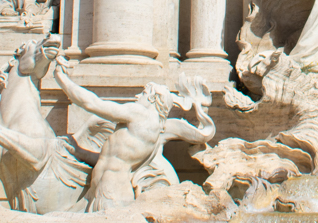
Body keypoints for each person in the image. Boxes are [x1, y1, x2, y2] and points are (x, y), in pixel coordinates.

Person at [53, 65, 214, 211]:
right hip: (101, 191)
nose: (138, 96)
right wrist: (80, 152)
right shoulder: (156, 131)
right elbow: (113, 158)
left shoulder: (140, 114)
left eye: (143, 93)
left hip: (111, 193)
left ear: (152, 98)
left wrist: (62, 78)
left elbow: (92, 103)